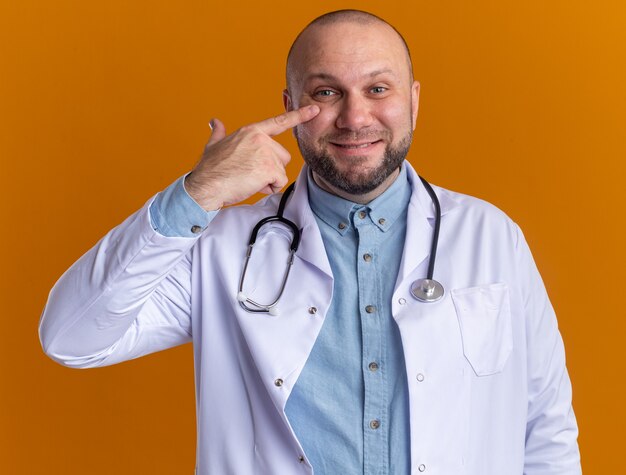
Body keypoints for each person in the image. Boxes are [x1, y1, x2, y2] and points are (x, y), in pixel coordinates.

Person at [39, 9, 581, 475]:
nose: (355, 117)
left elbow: (545, 422)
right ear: (290, 104)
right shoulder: (223, 247)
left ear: (413, 100)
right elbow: (72, 338)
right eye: (326, 92)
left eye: (377, 88)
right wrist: (197, 193)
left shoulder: (491, 235)